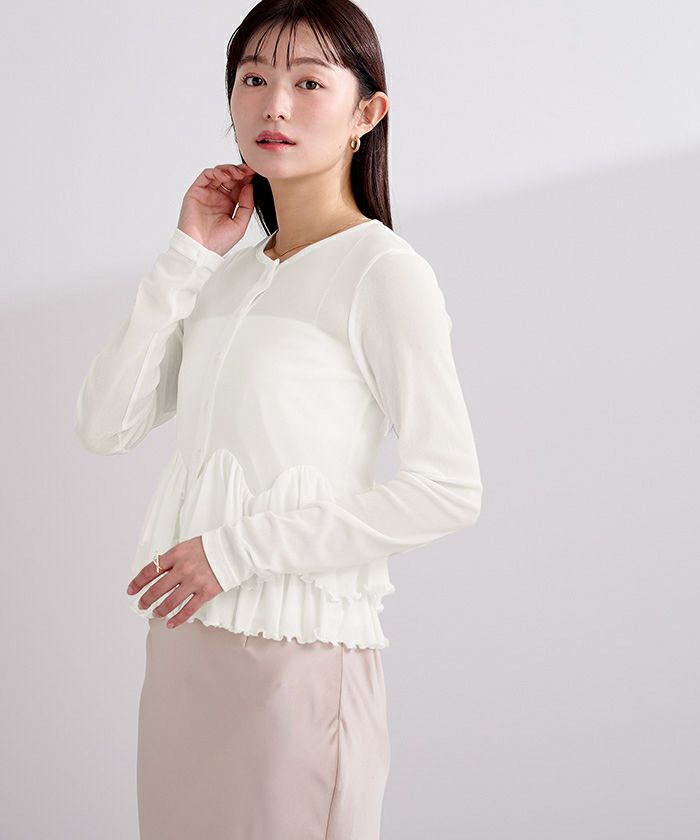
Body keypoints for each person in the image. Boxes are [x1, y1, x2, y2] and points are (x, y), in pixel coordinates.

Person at [73, 1, 483, 837]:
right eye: (253, 79)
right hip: (184, 652)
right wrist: (188, 257)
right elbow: (105, 425)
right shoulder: (226, 275)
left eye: (309, 82)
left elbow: (449, 489)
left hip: (298, 662)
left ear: (368, 112)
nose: (275, 105)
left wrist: (236, 551)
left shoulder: (383, 272)